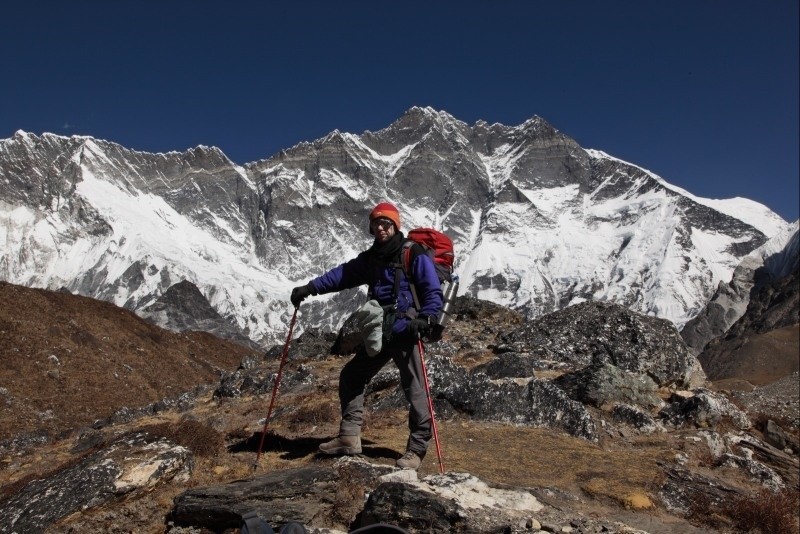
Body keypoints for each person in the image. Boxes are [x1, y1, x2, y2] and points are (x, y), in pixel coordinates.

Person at [290, 202, 443, 470]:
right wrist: (310, 288)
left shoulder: (412, 253)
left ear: (396, 226)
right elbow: (342, 275)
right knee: (352, 376)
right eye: (376, 224)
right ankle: (349, 437)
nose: (381, 228)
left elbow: (431, 289)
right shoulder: (372, 257)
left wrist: (426, 318)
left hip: (407, 330)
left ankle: (416, 450)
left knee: (416, 390)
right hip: (381, 330)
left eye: (386, 224)